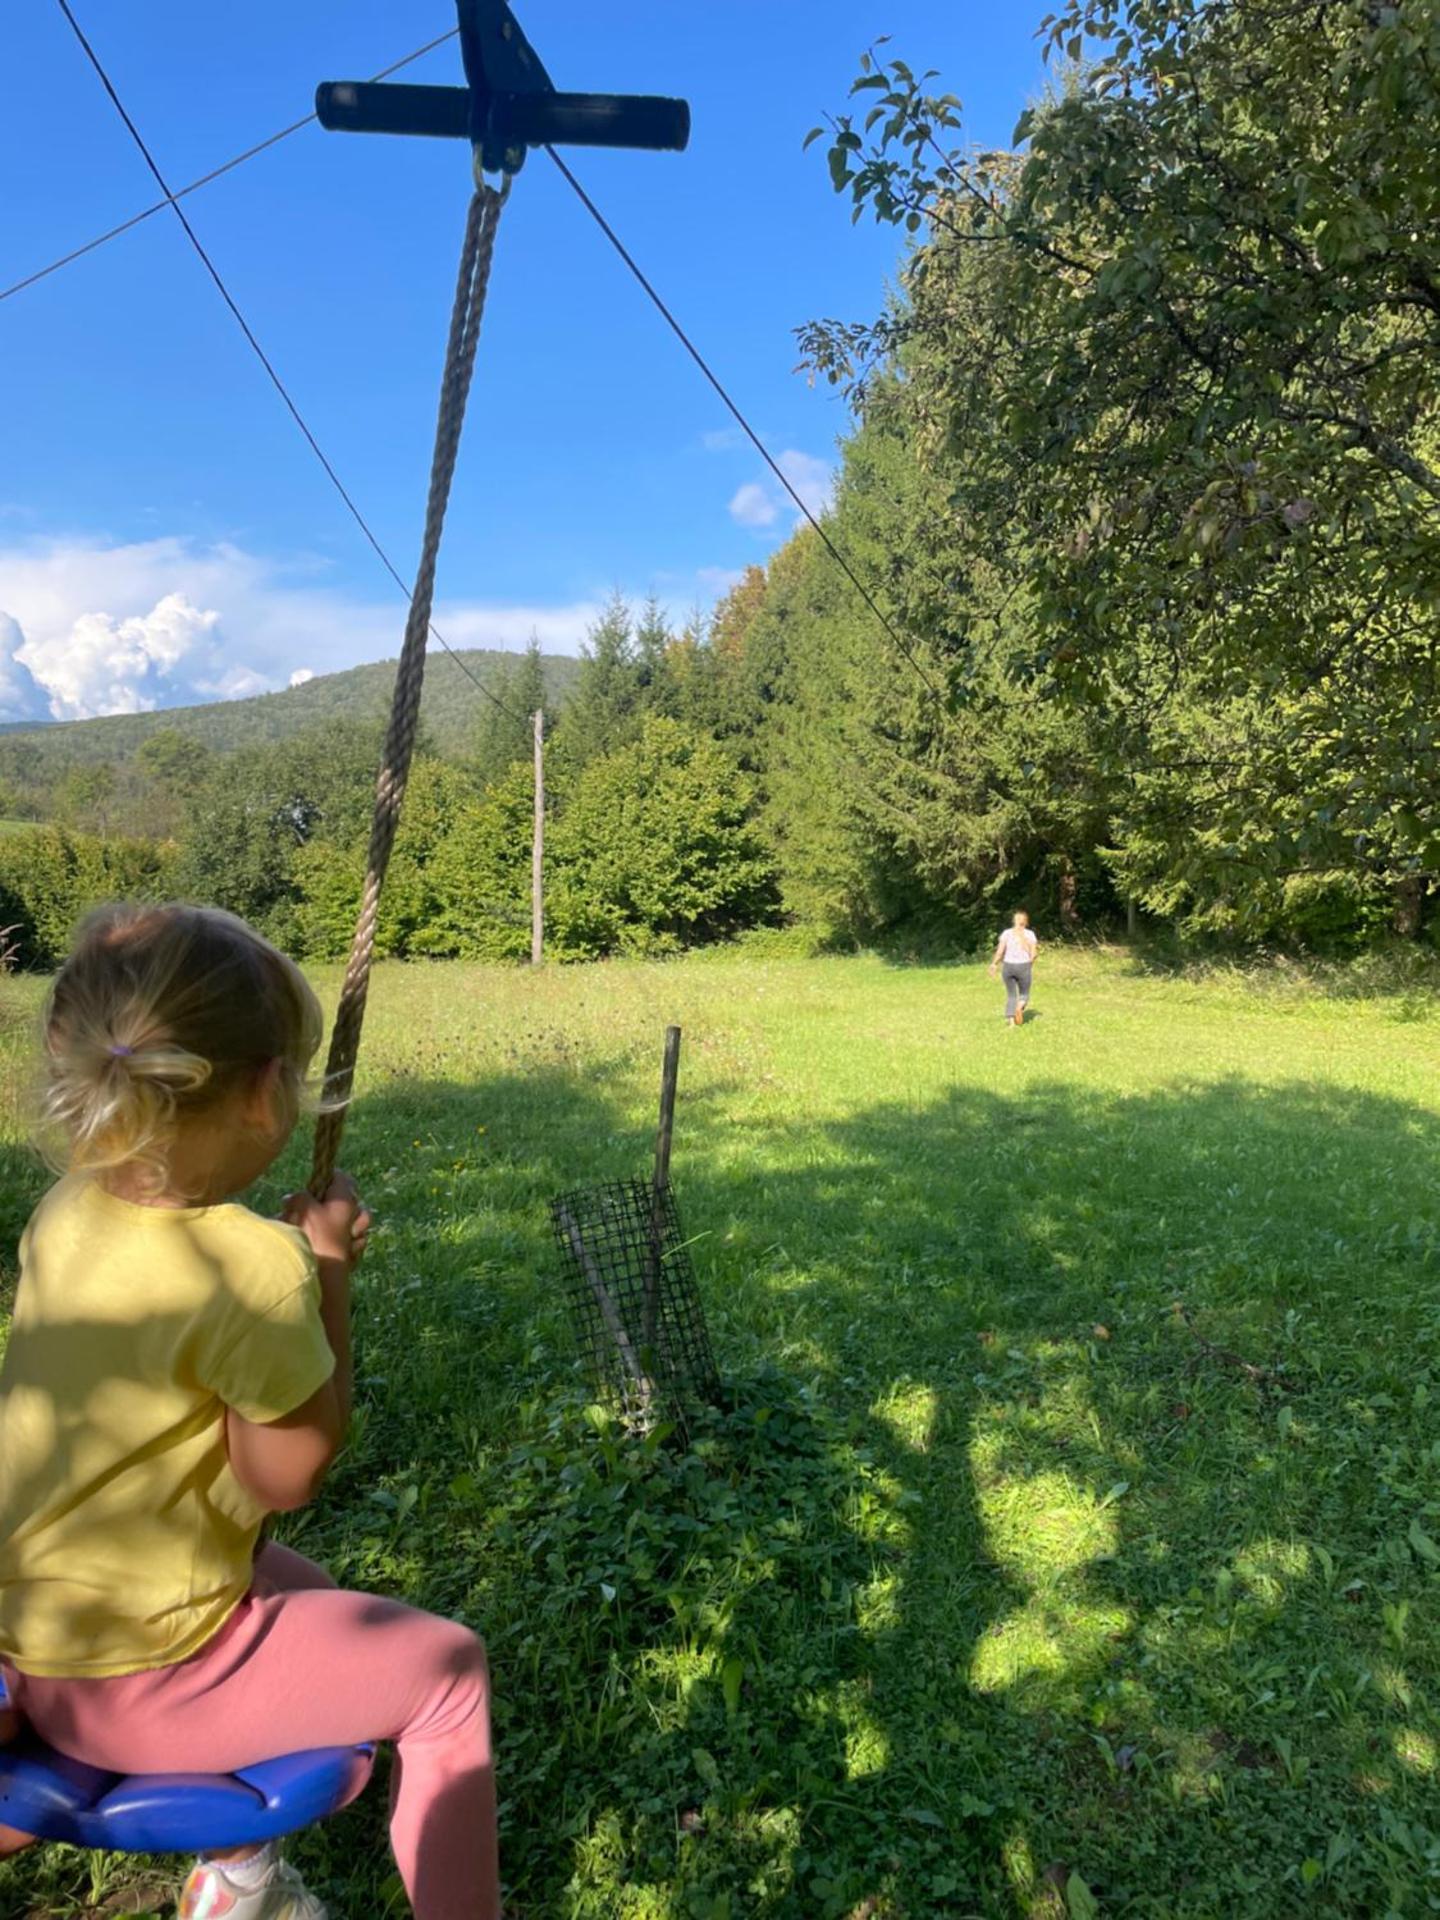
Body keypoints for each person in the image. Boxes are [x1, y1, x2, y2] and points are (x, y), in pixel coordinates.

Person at [0, 904, 499, 1920]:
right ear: (268, 1096)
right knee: (449, 1673)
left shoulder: (70, 1208)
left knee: (307, 1591)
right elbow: (287, 1475)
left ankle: (238, 1875)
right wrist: (325, 1277)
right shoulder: (249, 1269)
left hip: (34, 1624)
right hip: (140, 1675)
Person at [990, 909, 1039, 1026]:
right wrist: (1029, 964)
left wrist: (994, 964)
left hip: (1008, 966)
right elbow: (1034, 954)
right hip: (1023, 966)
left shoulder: (1006, 933)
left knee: (1011, 995)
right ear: (1026, 922)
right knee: (1024, 994)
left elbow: (1000, 952)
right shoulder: (1030, 934)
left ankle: (1011, 1023)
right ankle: (1019, 1007)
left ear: (1014, 921)